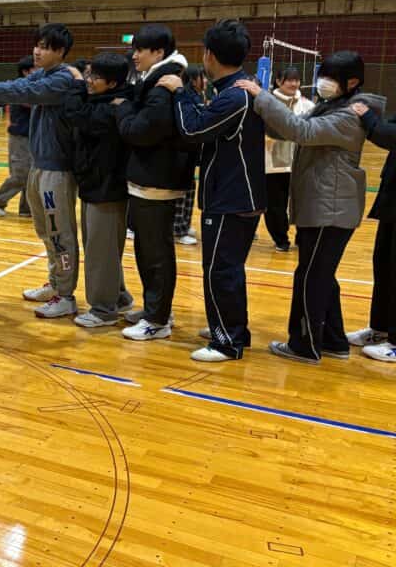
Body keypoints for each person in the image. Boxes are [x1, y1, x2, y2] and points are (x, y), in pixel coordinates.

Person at [237, 51, 385, 363]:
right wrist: (262, 112)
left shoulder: (350, 115)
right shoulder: (333, 106)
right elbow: (289, 129)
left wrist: (261, 96)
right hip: (323, 205)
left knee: (310, 277)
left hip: (330, 209)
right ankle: (333, 341)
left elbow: (301, 131)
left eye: (330, 78)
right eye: (323, 76)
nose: (323, 82)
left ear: (352, 82)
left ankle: (304, 345)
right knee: (322, 276)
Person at [159, 20, 265, 362]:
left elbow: (193, 129)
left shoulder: (235, 96)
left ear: (209, 55)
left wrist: (181, 91)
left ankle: (227, 342)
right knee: (227, 268)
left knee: (220, 270)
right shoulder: (237, 89)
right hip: (236, 194)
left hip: (232, 197)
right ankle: (233, 329)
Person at [0, 23, 79, 319]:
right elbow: (21, 84)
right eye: (37, 45)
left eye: (45, 47)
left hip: (57, 170)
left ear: (61, 52)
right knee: (45, 230)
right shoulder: (44, 74)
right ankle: (55, 284)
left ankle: (65, 295)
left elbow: (21, 90)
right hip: (39, 166)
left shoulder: (62, 80)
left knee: (60, 232)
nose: (37, 51)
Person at [115, 24, 194, 340]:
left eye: (140, 50)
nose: (134, 55)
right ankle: (155, 309)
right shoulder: (156, 79)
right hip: (150, 179)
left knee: (156, 253)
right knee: (148, 249)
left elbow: (141, 131)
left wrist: (123, 111)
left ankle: (158, 320)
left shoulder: (162, 86)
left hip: (157, 179)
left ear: (159, 52)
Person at [60, 52, 134, 328]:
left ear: (112, 83)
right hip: (96, 186)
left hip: (107, 190)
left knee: (100, 252)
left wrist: (77, 82)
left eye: (95, 77)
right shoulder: (106, 100)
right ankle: (119, 296)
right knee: (103, 248)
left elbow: (73, 113)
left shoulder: (111, 108)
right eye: (89, 74)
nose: (89, 80)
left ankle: (103, 310)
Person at [346, 101, 396, 361]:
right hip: (392, 200)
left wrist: (367, 116)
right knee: (384, 265)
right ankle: (380, 329)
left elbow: (388, 134)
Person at [263, 66, 314, 252]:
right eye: (290, 80)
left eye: (297, 80)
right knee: (275, 206)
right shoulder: (266, 103)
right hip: (271, 165)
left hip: (299, 163)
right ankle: (281, 239)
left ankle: (303, 238)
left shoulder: (307, 105)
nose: (294, 84)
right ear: (278, 81)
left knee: (302, 203)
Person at [0, 55, 35, 217]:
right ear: (26, 71)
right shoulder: (20, 87)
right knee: (21, 174)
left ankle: (26, 208)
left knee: (31, 174)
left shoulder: (33, 86)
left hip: (31, 136)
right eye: (35, 68)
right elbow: (33, 103)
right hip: (20, 138)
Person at [173, 64, 207, 246]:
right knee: (181, 192)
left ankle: (184, 225)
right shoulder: (185, 97)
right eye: (203, 77)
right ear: (193, 80)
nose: (206, 81)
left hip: (191, 153)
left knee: (189, 189)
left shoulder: (198, 96)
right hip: (182, 153)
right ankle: (178, 230)